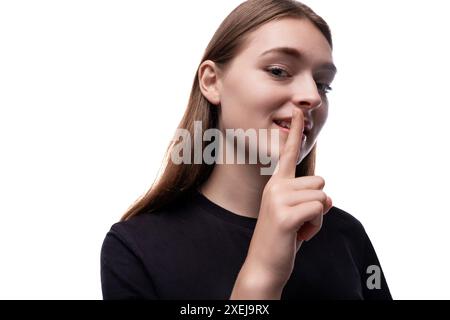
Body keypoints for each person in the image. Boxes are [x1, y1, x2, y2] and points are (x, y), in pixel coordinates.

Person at [100, 0, 392, 300]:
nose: (312, 97)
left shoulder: (347, 235)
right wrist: (262, 276)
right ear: (212, 82)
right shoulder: (135, 247)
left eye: (323, 84)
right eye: (278, 71)